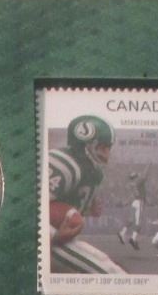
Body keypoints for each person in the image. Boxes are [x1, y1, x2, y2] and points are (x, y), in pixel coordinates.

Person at [47, 115, 126, 276]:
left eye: (108, 148)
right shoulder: (64, 165)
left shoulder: (92, 172)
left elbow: (64, 207)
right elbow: (32, 208)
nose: (107, 154)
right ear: (86, 144)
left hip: (55, 240)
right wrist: (52, 235)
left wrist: (87, 210)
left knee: (107, 265)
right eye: (102, 147)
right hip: (44, 242)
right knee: (109, 275)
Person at [118, 170, 148, 250]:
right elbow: (145, 176)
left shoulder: (132, 184)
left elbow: (132, 195)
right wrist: (149, 166)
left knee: (131, 220)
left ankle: (122, 232)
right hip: (140, 202)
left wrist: (126, 202)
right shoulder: (138, 182)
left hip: (134, 202)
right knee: (139, 223)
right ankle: (133, 238)